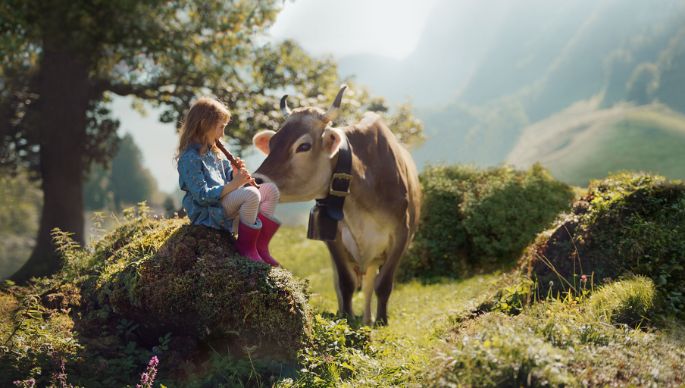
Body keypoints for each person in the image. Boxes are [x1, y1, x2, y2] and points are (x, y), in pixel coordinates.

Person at [175, 97, 281, 266]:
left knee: (270, 190)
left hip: (225, 204)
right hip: (209, 213)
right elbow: (202, 196)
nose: (223, 134)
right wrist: (235, 184)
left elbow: (227, 180)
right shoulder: (189, 158)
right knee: (251, 194)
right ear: (204, 125)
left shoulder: (215, 152)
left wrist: (235, 173)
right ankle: (246, 248)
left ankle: (259, 246)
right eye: (220, 128)